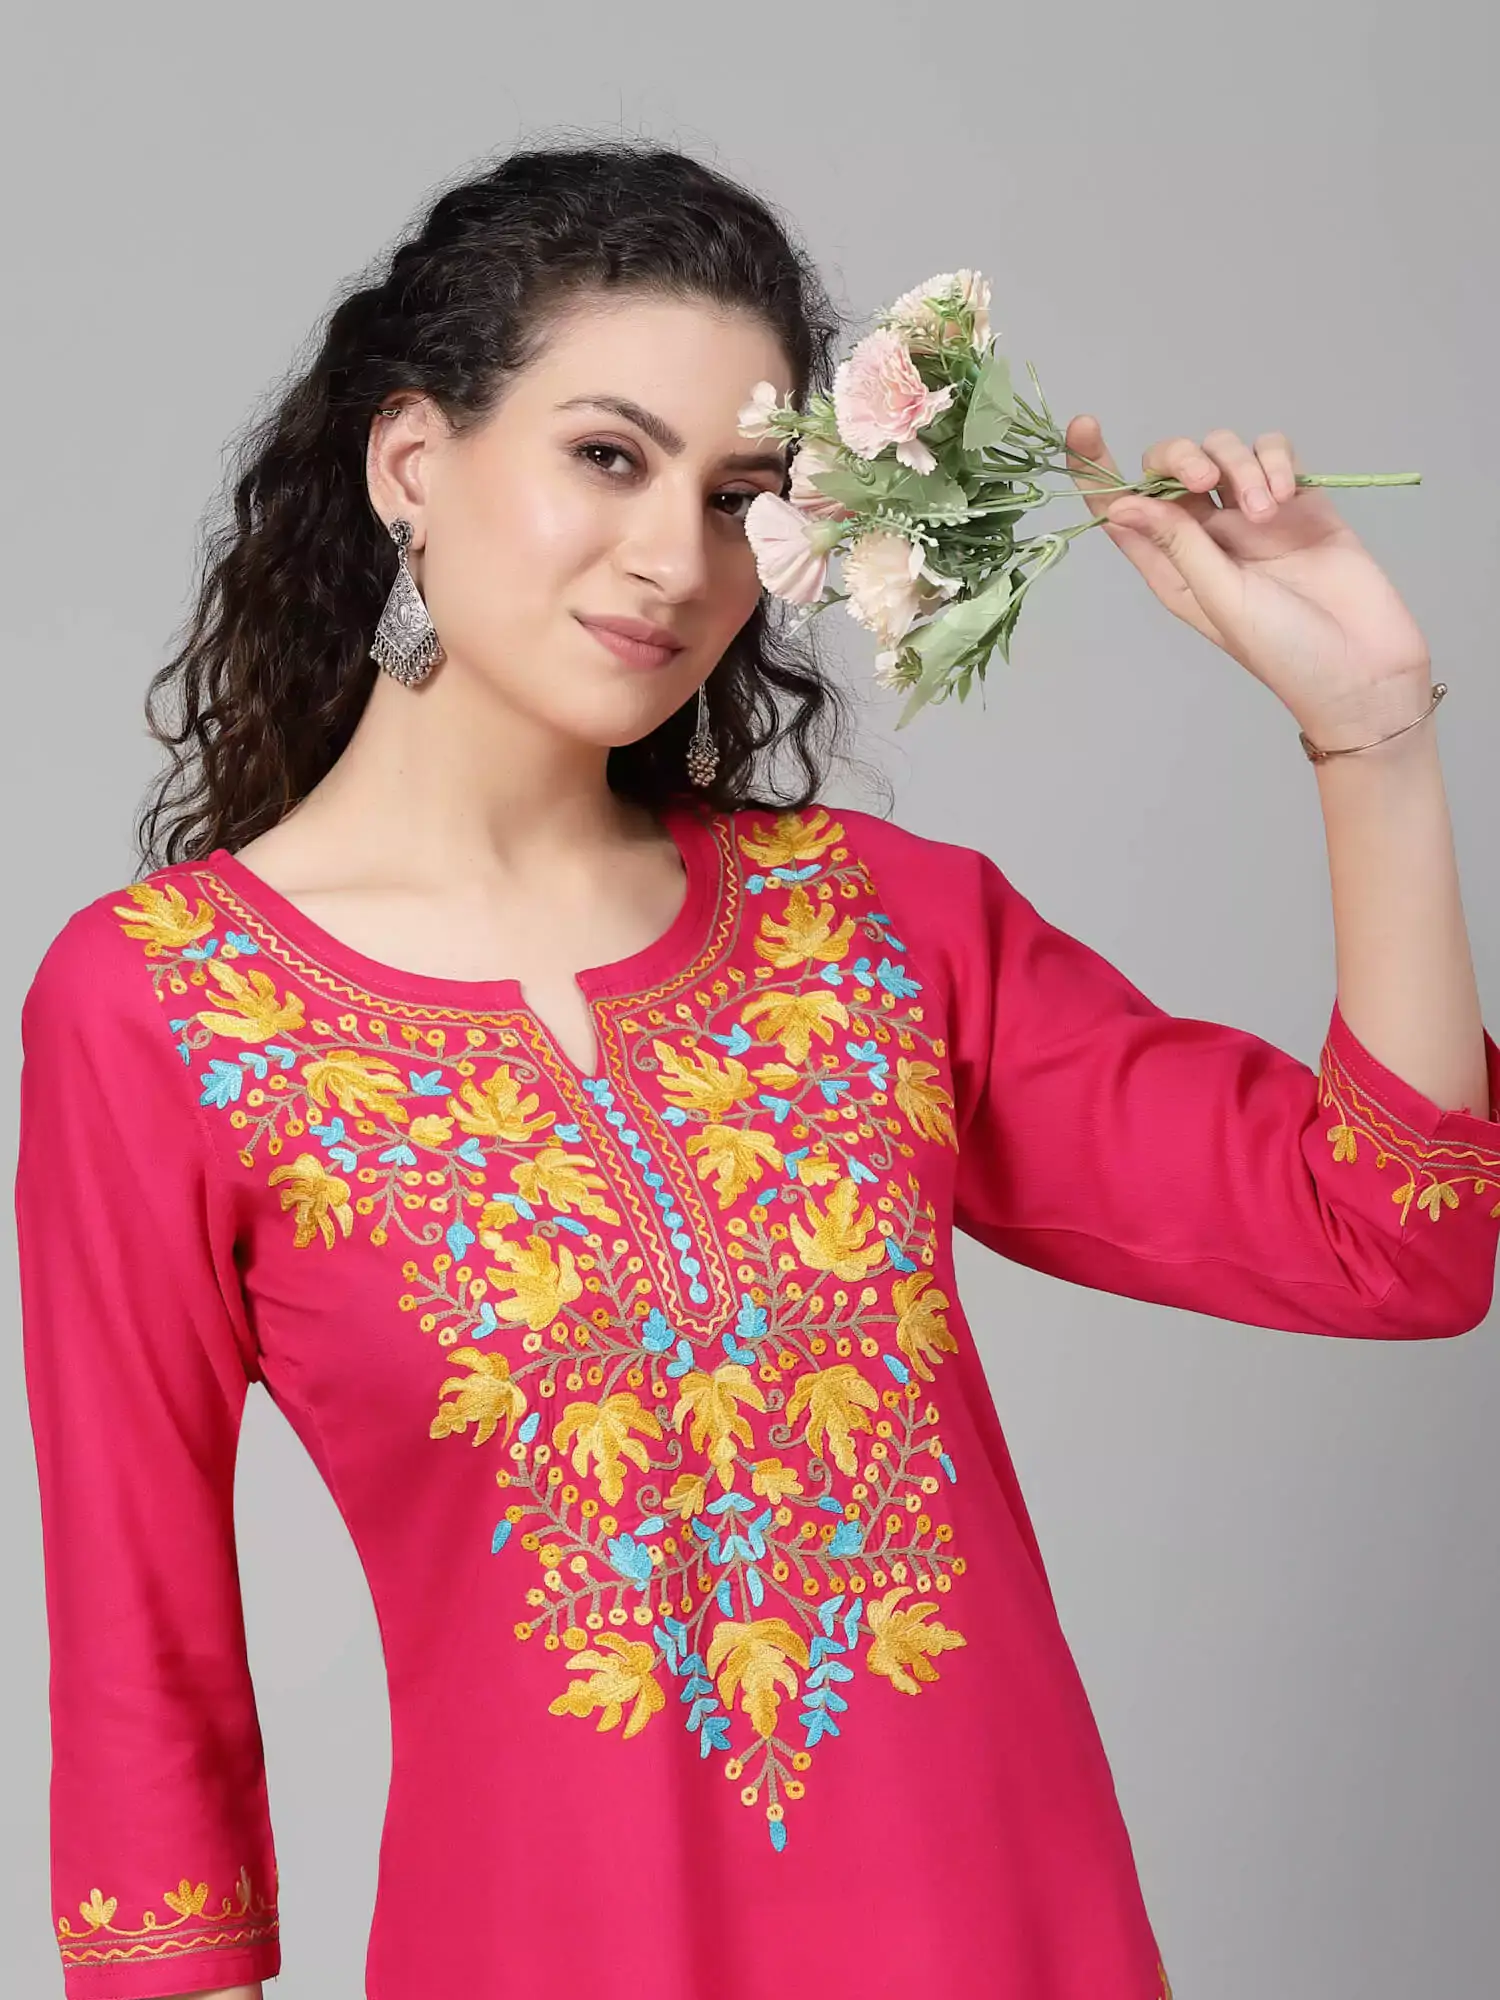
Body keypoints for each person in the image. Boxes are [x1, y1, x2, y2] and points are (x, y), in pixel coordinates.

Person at [15, 137, 1500, 2000]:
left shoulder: (876, 928)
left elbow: (1396, 1242)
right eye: (607, 456)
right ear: (412, 463)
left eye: (739, 498)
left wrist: (1371, 736)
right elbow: (140, 1662)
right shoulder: (164, 1009)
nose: (676, 559)